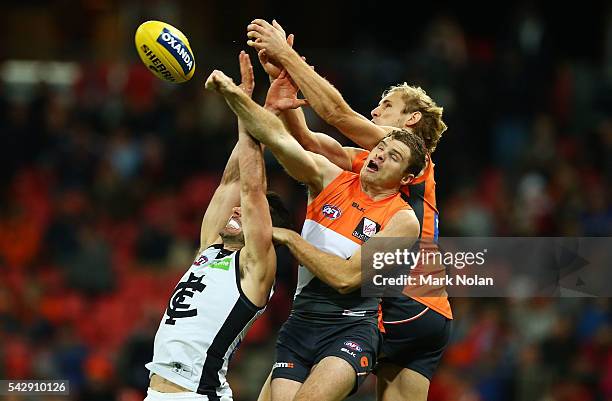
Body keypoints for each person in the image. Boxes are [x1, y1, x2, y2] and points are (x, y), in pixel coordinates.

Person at [248, 20, 453, 401]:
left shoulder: (414, 159)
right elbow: (309, 142)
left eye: (386, 105)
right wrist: (285, 89)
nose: (375, 111)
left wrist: (288, 56)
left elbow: (338, 114)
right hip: (430, 308)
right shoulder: (378, 164)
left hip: (397, 298)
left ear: (410, 121)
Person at [205, 67, 426, 401]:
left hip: (350, 327)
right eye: (381, 147)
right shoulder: (329, 177)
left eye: (393, 156)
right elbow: (279, 140)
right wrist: (237, 97)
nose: (379, 154)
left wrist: (291, 238)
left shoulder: (403, 219)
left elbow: (346, 278)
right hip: (301, 322)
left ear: (406, 179)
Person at [143, 52, 291, 401]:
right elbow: (232, 183)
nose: (239, 209)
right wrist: (260, 113)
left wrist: (243, 107)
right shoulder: (211, 246)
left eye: (252, 212)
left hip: (197, 395)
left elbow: (253, 188)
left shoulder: (255, 267)